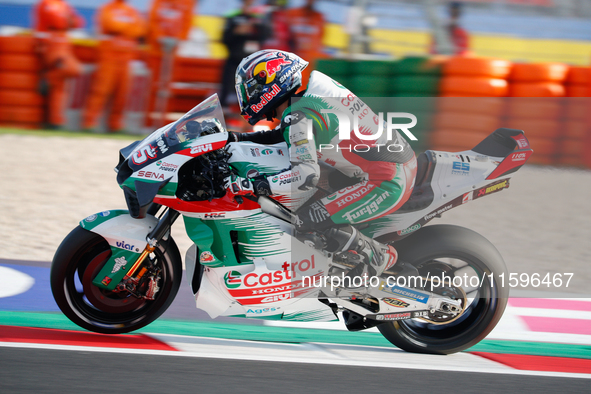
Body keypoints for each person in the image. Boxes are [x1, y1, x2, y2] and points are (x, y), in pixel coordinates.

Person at [225, 50, 417, 280]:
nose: (248, 96)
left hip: (386, 181)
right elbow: (282, 136)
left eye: (251, 89)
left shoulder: (297, 116)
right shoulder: (306, 102)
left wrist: (253, 184)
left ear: (271, 83)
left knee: (302, 221)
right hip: (389, 168)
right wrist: (233, 138)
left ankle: (377, 255)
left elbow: (305, 175)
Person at [82, 0, 146, 132]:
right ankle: (89, 122)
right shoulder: (107, 9)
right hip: (108, 56)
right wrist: (128, 29)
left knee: (122, 93)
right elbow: (111, 25)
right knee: (101, 90)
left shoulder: (131, 11)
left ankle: (116, 124)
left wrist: (124, 28)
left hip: (126, 56)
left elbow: (140, 29)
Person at [33, 0, 85, 129]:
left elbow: (79, 22)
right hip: (50, 45)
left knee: (59, 86)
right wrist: (69, 21)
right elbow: (58, 21)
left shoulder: (63, 4)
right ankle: (48, 77)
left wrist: (68, 21)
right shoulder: (46, 3)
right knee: (72, 69)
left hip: (62, 45)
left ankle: (54, 121)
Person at [146, 0, 197, 127]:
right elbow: (152, 20)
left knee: (167, 88)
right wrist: (159, 37)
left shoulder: (188, 3)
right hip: (156, 50)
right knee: (152, 86)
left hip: (173, 52)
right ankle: (148, 122)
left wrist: (179, 39)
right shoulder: (158, 2)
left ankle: (162, 124)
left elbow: (187, 22)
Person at [219, 0, 268, 109]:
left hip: (252, 62)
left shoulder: (259, 18)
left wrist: (253, 29)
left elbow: (266, 37)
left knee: (252, 93)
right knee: (227, 90)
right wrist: (237, 32)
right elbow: (224, 38)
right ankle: (225, 110)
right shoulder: (233, 17)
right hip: (233, 59)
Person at [285, 0, 325, 87]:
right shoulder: (292, 13)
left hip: (310, 64)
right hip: (291, 62)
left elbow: (320, 42)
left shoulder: (319, 17)